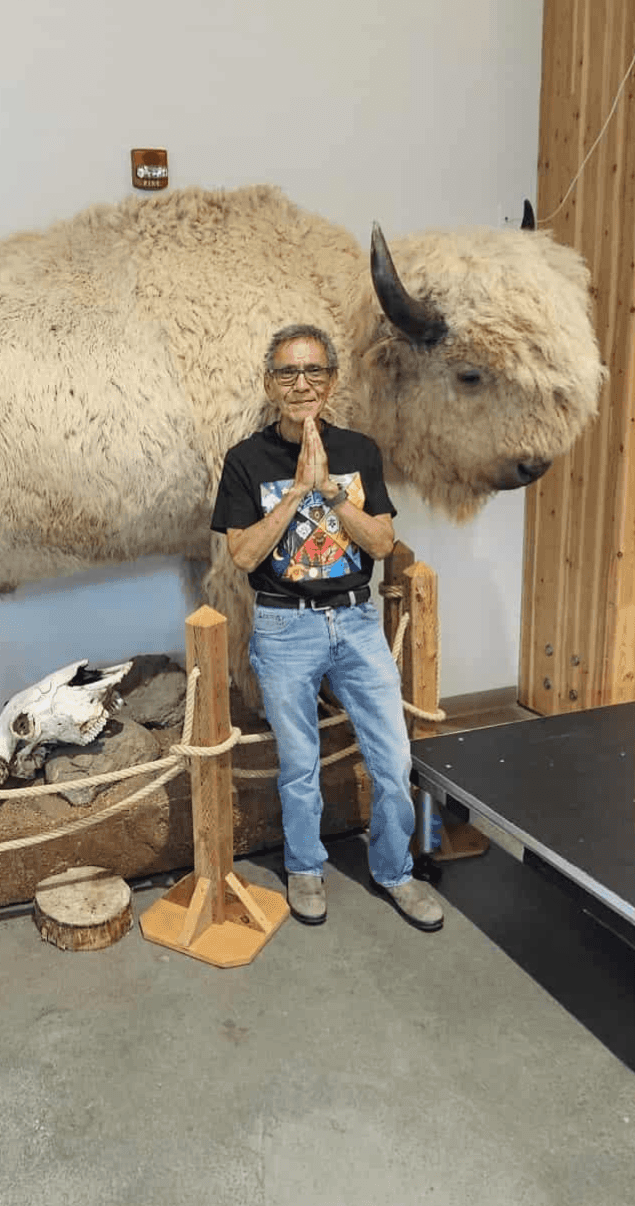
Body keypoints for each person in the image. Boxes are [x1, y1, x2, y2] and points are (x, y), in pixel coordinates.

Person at [208, 324, 445, 933]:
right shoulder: (245, 461)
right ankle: (305, 867)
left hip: (357, 620)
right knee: (299, 764)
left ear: (332, 380)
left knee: (393, 759)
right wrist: (296, 494)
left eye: (314, 371)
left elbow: (383, 540)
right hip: (284, 629)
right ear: (270, 384)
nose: (301, 384)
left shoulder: (360, 451)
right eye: (288, 373)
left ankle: (396, 872)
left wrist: (333, 494)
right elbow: (243, 555)